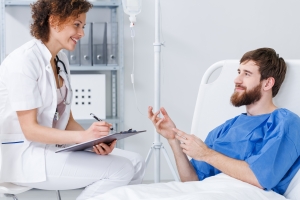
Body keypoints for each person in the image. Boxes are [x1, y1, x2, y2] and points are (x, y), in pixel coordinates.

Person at [0, 0, 145, 199]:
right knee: (120, 169)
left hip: (53, 150)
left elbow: (67, 121)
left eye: (83, 26)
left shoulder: (61, 60)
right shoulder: (23, 61)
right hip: (26, 157)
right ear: (54, 21)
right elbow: (30, 130)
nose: (82, 33)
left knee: (136, 162)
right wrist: (84, 137)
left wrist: (95, 140)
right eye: (76, 25)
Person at [148, 48, 300, 195]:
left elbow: (260, 178)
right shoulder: (226, 128)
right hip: (207, 191)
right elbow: (191, 181)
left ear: (267, 83)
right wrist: (173, 139)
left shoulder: (285, 123)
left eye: (246, 74)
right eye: (238, 72)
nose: (236, 80)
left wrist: (206, 154)